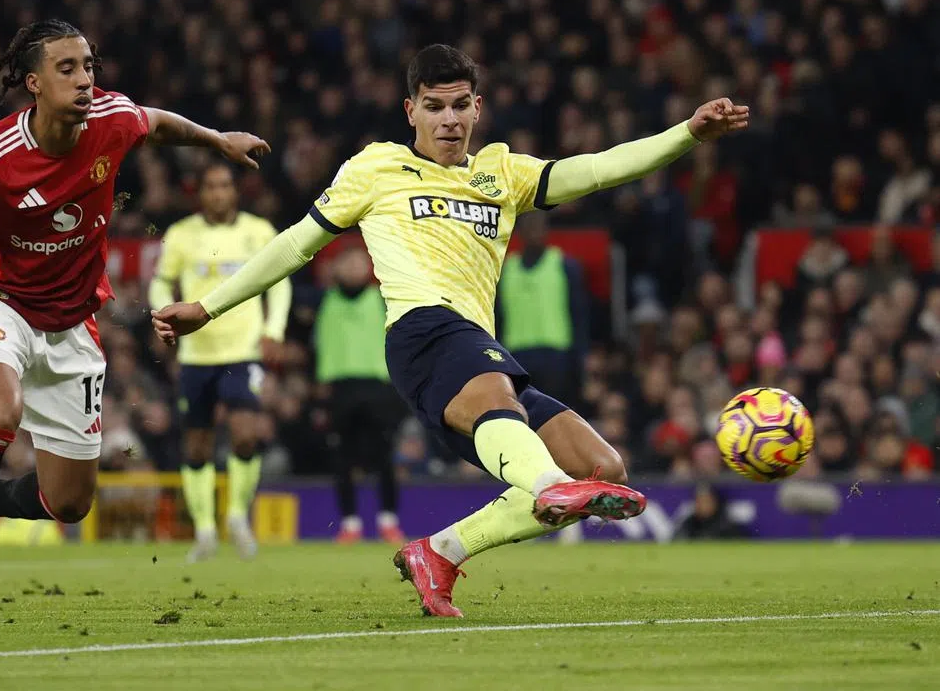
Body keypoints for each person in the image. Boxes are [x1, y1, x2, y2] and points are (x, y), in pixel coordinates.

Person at [152, 44, 748, 617]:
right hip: (421, 333)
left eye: (460, 105)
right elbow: (295, 245)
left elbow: (596, 170)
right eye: (434, 107)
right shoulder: (376, 168)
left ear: (477, 108)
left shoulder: (502, 173)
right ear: (411, 110)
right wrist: (208, 307)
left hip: (480, 349)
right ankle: (545, 485)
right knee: (523, 436)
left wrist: (688, 133)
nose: (449, 120)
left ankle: (440, 552)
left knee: (603, 470)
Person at [0, 19, 270, 614]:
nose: (85, 80)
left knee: (70, 504)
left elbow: (157, 122)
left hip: (72, 327)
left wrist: (217, 140)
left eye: (89, 66)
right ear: (33, 82)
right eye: (68, 69)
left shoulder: (111, 120)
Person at [147, 163, 291, 562]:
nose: (218, 193)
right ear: (201, 193)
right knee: (196, 445)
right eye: (211, 186)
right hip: (196, 354)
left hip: (243, 351)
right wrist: (162, 310)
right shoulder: (181, 235)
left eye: (225, 186)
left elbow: (280, 280)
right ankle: (205, 531)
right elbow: (161, 279)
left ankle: (237, 517)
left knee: (245, 434)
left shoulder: (258, 231)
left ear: (235, 191)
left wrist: (274, 331)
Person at [314, 244, 405, 544]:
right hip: (339, 388)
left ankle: (388, 520)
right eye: (348, 263)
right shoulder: (323, 300)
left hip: (376, 386)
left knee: (383, 456)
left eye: (360, 263)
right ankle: (350, 523)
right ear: (336, 268)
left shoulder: (382, 299)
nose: (355, 268)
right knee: (342, 458)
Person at [496, 210, 588, 401]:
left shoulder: (564, 265)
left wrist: (579, 358)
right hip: (516, 355)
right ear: (519, 231)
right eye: (529, 225)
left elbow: (579, 314)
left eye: (539, 225)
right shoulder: (505, 271)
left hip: (556, 355)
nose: (535, 230)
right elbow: (498, 317)